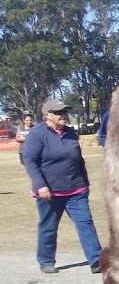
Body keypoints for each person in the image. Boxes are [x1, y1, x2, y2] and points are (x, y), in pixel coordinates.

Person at [23, 99, 103, 274]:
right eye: (58, 113)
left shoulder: (70, 133)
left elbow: (78, 160)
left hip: (76, 189)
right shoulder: (37, 134)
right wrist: (40, 185)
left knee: (85, 223)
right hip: (49, 192)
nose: (63, 116)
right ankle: (46, 261)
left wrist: (85, 183)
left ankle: (96, 259)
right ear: (47, 115)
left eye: (64, 112)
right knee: (49, 226)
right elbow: (30, 161)